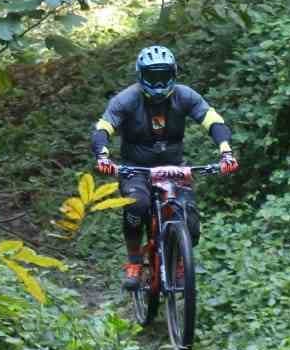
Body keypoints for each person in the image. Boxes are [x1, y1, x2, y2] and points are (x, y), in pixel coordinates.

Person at [90, 45, 239, 290]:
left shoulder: (185, 96)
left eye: (164, 76)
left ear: (174, 74)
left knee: (189, 218)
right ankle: (135, 262)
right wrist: (103, 156)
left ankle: (180, 260)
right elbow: (103, 127)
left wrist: (225, 150)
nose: (159, 84)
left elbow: (212, 119)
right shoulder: (126, 99)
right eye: (152, 77)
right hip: (135, 169)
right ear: (140, 76)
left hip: (174, 168)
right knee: (137, 205)